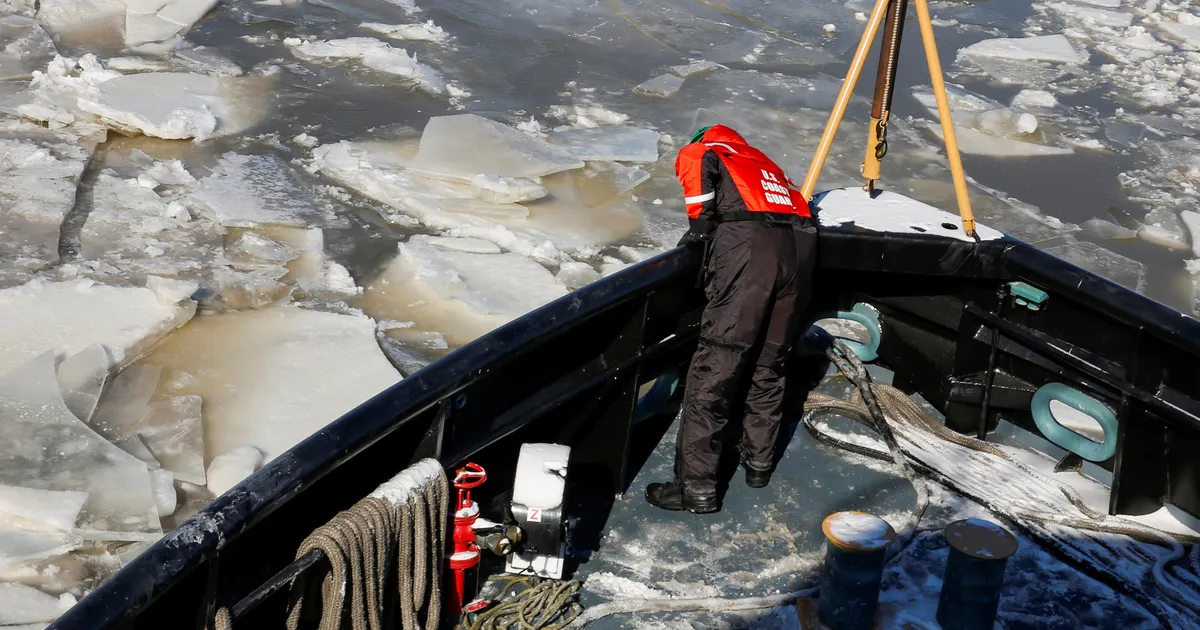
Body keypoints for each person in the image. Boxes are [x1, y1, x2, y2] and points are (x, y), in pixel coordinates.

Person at [645, 124, 818, 514]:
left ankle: (696, 489)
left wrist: (699, 229)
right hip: (800, 251)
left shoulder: (707, 150)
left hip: (751, 253)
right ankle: (759, 465)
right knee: (770, 364)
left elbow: (696, 173)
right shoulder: (762, 163)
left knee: (715, 369)